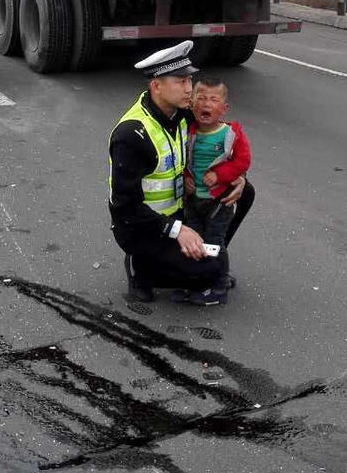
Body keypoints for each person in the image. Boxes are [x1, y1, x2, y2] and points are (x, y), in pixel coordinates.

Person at [108, 40, 253, 305]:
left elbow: (222, 133)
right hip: (142, 227)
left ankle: (197, 258)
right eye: (182, 82)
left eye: (190, 81)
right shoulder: (132, 135)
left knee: (245, 191)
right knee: (210, 272)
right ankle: (141, 268)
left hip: (178, 212)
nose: (190, 90)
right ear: (157, 86)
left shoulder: (182, 114)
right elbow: (125, 209)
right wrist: (177, 231)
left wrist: (238, 178)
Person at [180, 77, 251, 300]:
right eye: (200, 99)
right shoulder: (188, 132)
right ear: (191, 104)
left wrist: (220, 175)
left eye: (213, 100)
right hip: (193, 200)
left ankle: (219, 286)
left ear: (224, 108)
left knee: (213, 244)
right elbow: (181, 159)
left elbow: (243, 161)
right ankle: (199, 281)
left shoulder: (231, 134)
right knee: (195, 243)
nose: (206, 104)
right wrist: (186, 177)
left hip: (218, 201)